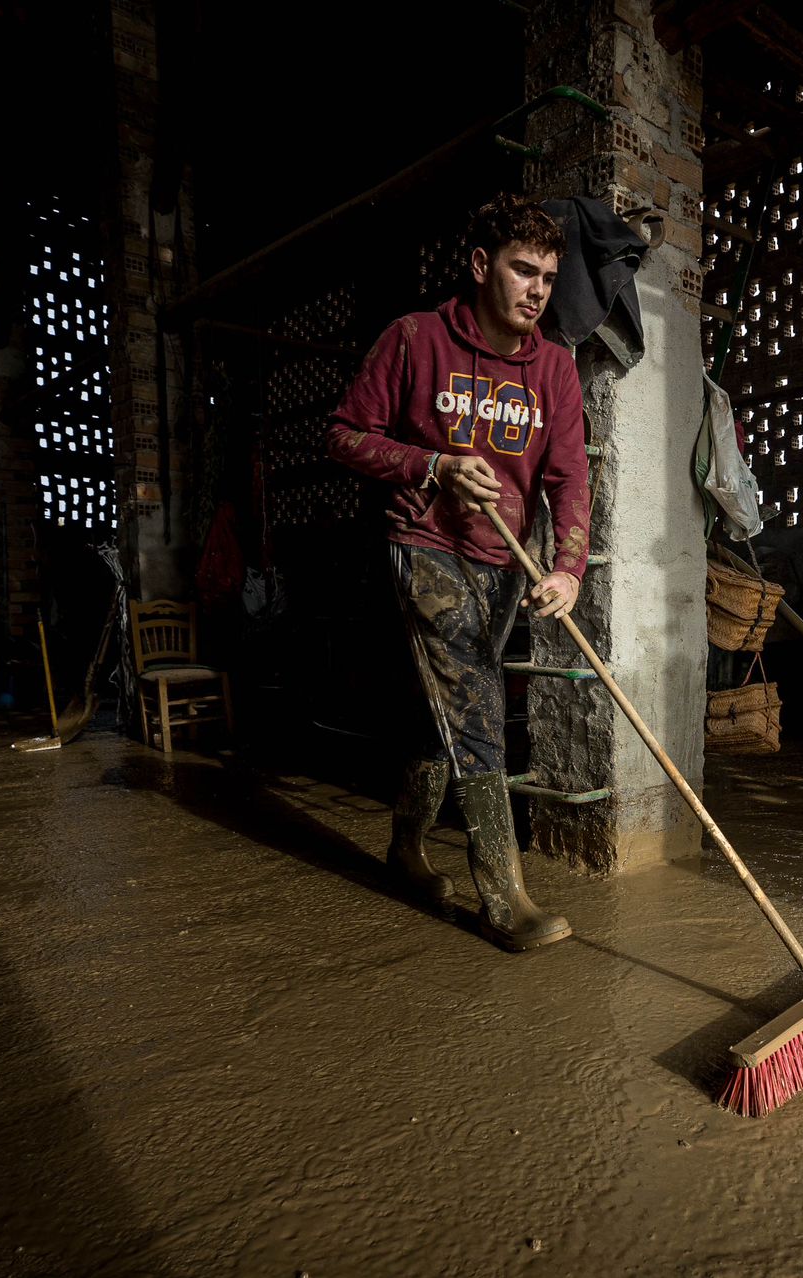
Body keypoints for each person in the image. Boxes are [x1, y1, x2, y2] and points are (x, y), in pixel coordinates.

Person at [326, 194, 591, 952]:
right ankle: (503, 896)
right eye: (521, 269)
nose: (537, 289)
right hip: (426, 546)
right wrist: (432, 464)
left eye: (548, 275)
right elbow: (344, 436)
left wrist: (567, 568)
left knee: (436, 711)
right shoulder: (414, 340)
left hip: (508, 560)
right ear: (481, 267)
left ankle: (406, 849)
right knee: (477, 707)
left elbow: (570, 480)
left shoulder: (556, 371)